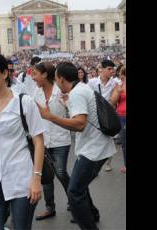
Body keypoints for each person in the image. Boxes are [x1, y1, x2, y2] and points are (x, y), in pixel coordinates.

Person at [36, 62, 116, 230]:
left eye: (57, 79)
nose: (57, 83)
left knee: (74, 192)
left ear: (62, 79)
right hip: (94, 148)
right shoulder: (80, 90)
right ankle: (92, 213)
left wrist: (49, 116)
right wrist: (68, 105)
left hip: (94, 151)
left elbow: (79, 124)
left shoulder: (77, 93)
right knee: (80, 185)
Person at [0, 53, 45, 230]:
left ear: (5, 73)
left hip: (21, 178)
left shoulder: (24, 102)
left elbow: (39, 141)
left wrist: (36, 179)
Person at [31, 62, 72, 221]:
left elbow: (72, 112)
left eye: (35, 74)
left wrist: (67, 102)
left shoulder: (61, 92)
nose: (33, 77)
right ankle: (50, 207)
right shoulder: (36, 93)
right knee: (46, 175)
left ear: (45, 75)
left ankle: (74, 201)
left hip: (61, 139)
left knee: (60, 172)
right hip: (43, 141)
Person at [88, 59, 118, 172]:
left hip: (110, 115)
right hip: (96, 115)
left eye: (112, 69)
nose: (111, 71)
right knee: (95, 139)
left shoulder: (115, 83)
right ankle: (94, 165)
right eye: (109, 69)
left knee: (109, 139)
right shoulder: (92, 82)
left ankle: (108, 163)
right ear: (102, 69)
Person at [110, 64, 126, 173]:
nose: (122, 76)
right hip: (122, 116)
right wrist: (119, 92)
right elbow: (112, 102)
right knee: (125, 142)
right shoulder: (119, 85)